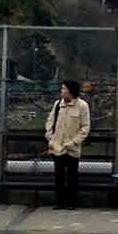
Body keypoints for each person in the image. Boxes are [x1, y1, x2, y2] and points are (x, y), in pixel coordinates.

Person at [44, 79, 91, 208]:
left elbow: (85, 128)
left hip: (72, 147)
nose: (62, 91)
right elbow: (50, 121)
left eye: (64, 88)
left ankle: (72, 202)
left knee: (72, 176)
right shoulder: (58, 104)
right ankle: (59, 202)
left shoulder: (82, 106)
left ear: (71, 91)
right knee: (58, 176)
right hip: (57, 146)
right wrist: (50, 138)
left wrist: (74, 142)